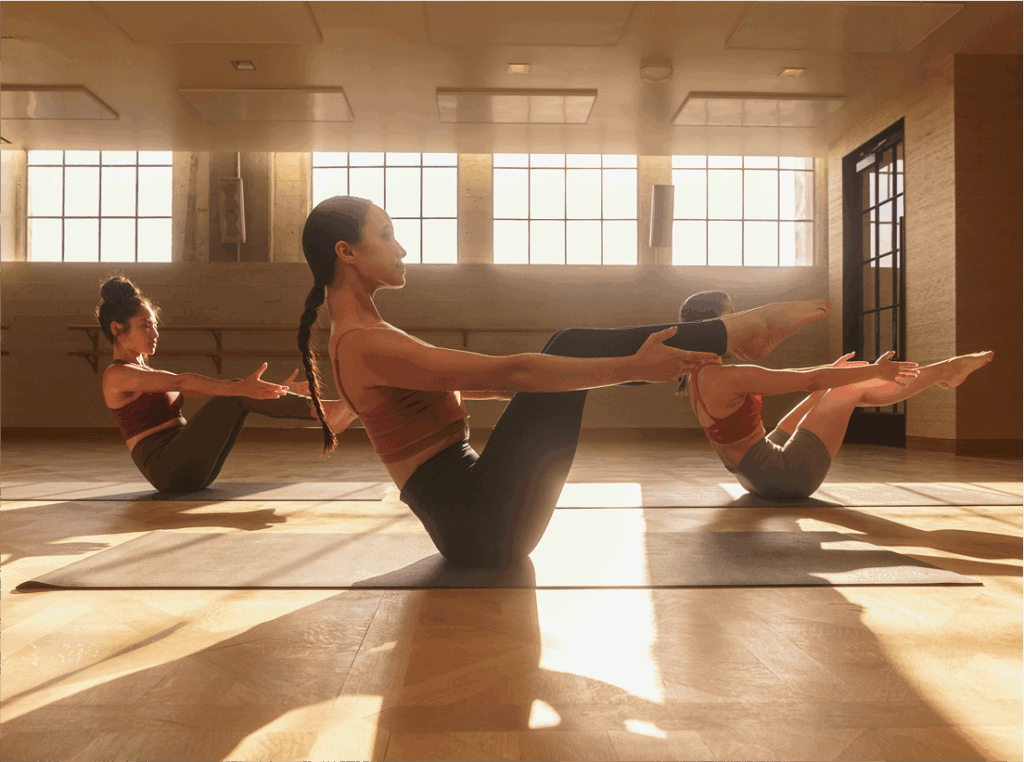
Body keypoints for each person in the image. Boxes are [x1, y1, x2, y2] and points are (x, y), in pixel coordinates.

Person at [295, 196, 831, 566]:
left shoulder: (364, 336)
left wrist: (625, 372)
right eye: (386, 235)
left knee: (562, 355)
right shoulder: (366, 341)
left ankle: (730, 333)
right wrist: (629, 369)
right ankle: (742, 329)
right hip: (482, 524)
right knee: (566, 346)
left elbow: (489, 385)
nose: (402, 248)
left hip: (478, 520)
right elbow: (515, 372)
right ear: (347, 252)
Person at [674, 290, 994, 499]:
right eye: (735, 317)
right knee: (850, 388)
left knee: (833, 386)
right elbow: (808, 380)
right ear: (718, 326)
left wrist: (831, 375)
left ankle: (944, 372)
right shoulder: (727, 377)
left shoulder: (697, 375)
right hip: (785, 477)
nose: (741, 323)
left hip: (752, 478)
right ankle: (945, 372)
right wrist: (874, 371)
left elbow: (799, 378)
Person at [98, 276, 352, 493]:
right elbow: (183, 382)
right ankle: (327, 413)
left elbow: (212, 391)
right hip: (167, 469)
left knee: (236, 394)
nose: (155, 334)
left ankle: (324, 412)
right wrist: (241, 388)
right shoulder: (116, 376)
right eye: (146, 326)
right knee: (235, 391)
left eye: (155, 326)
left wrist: (280, 392)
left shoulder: (145, 371)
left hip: (188, 465)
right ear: (117, 328)